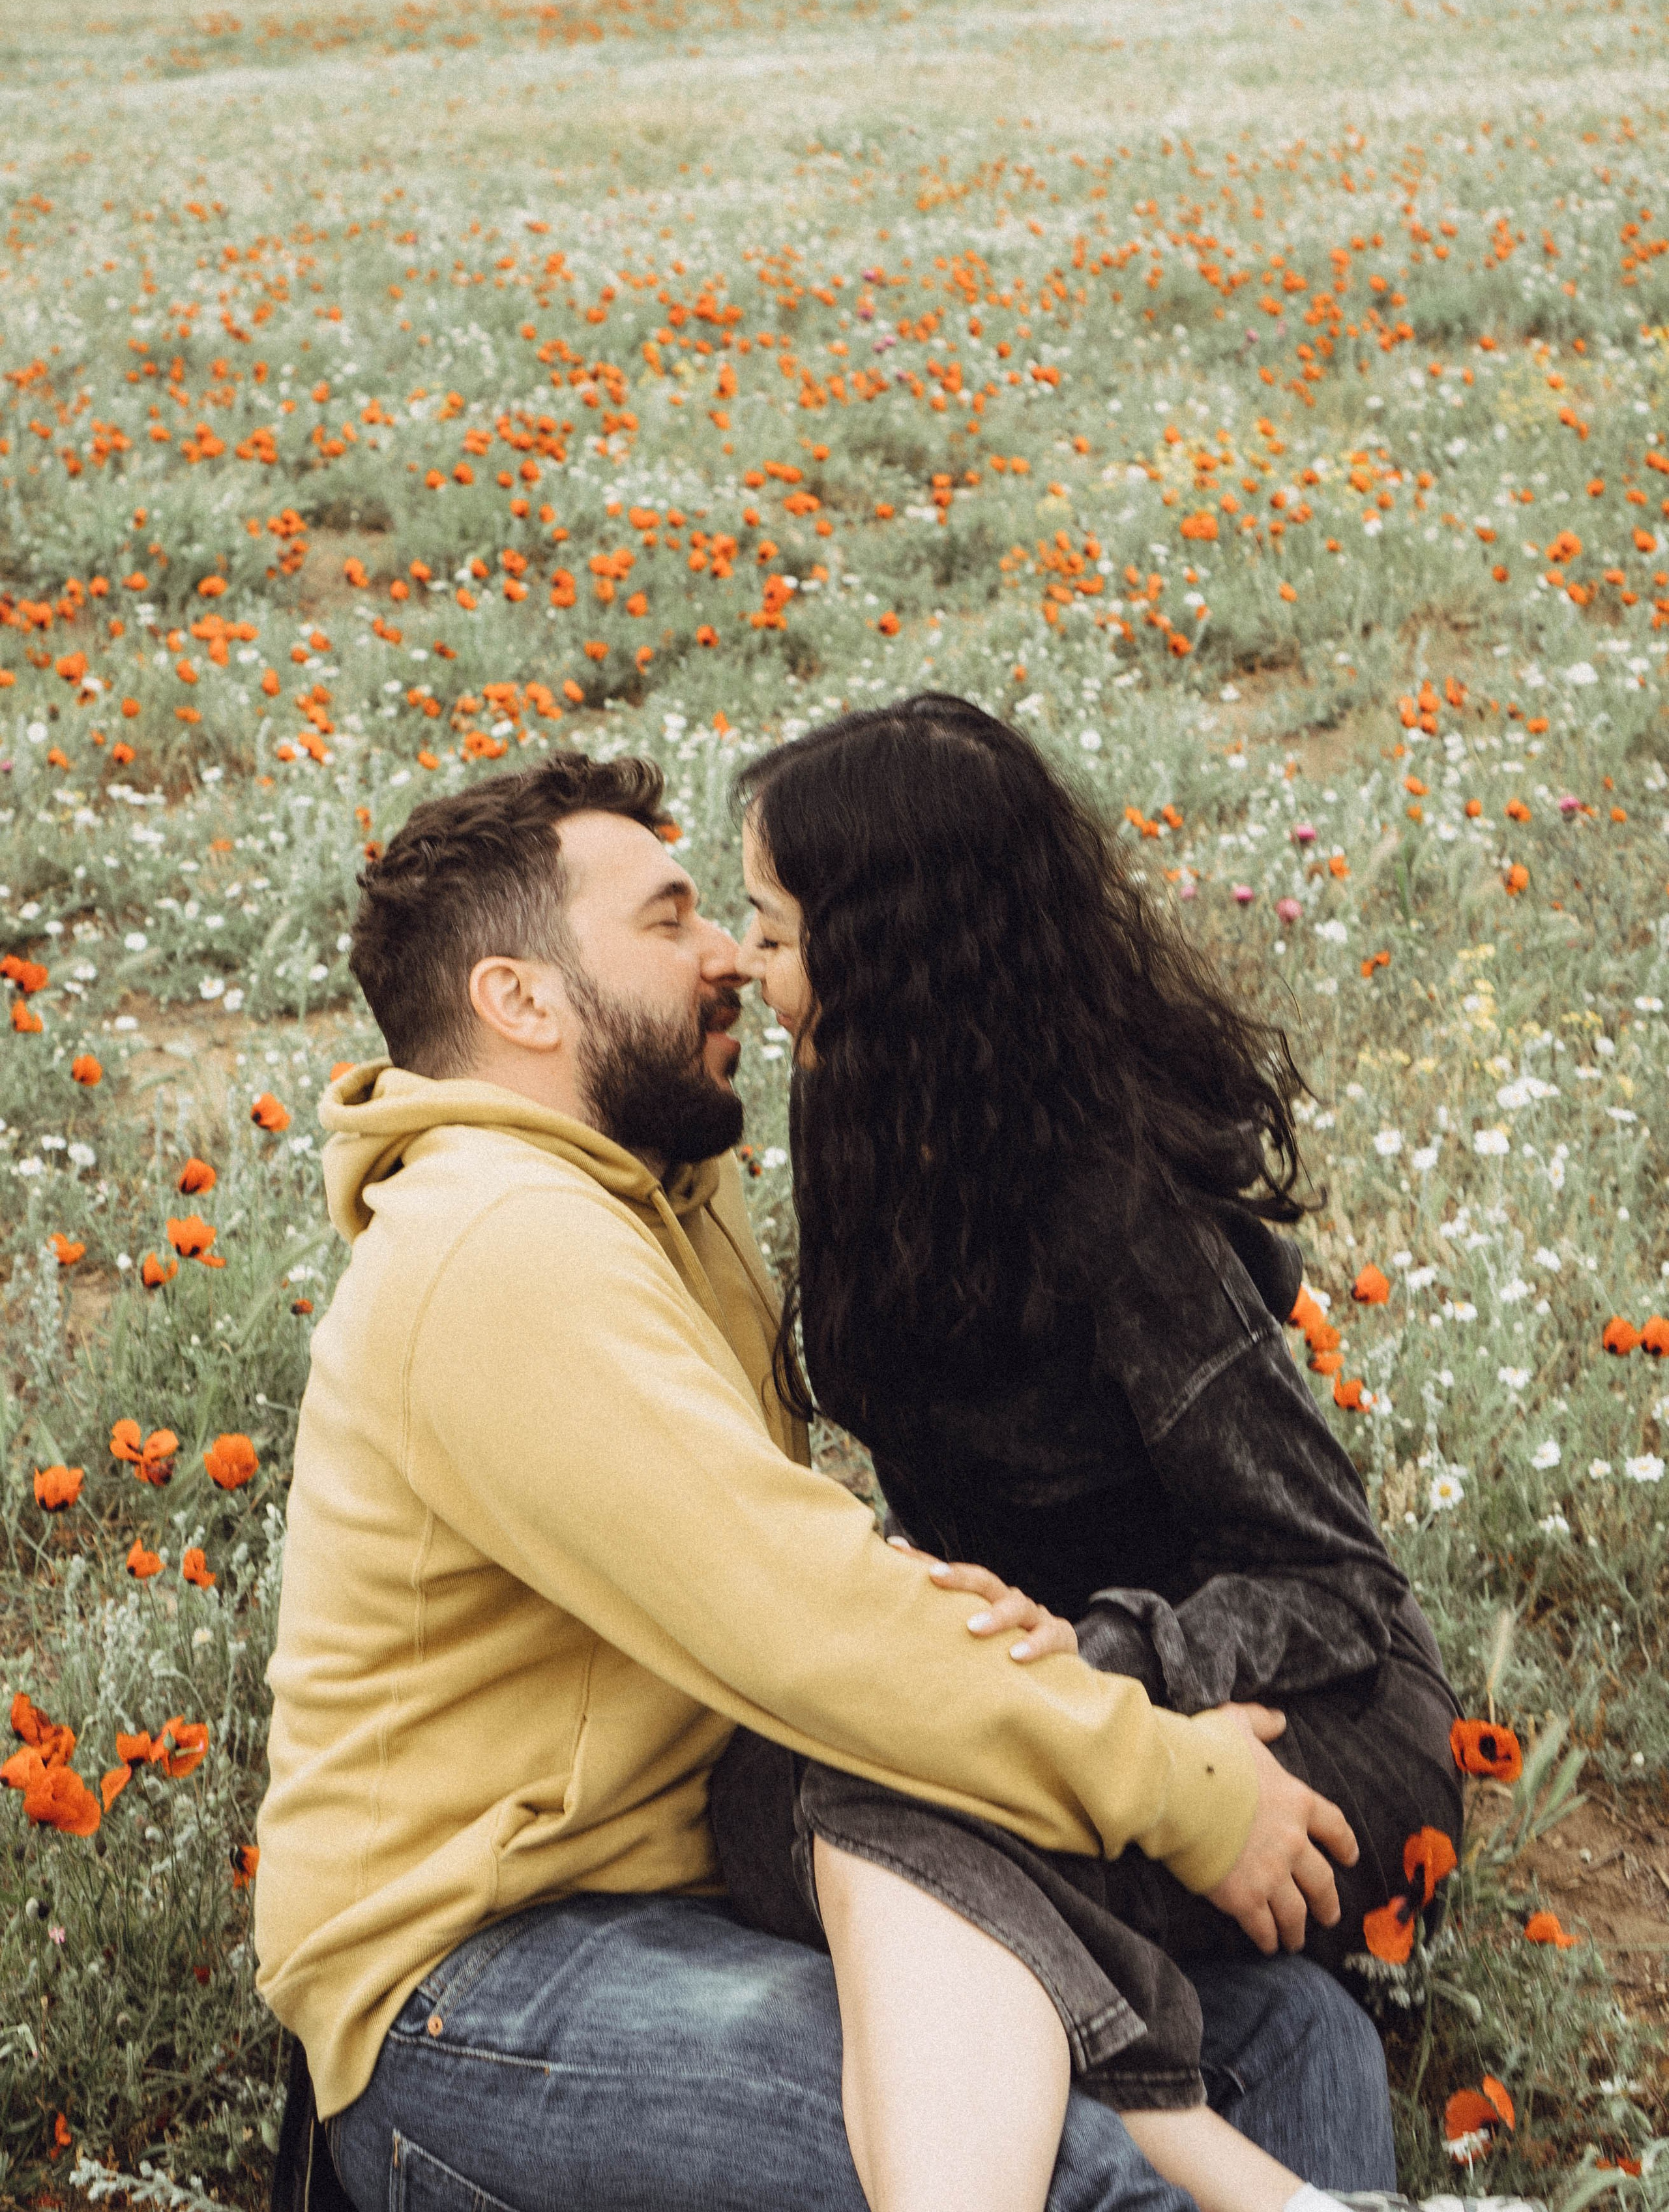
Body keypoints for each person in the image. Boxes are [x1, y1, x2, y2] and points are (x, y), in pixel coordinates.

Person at [255, 749, 1398, 2212]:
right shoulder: (498, 1249)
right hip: (478, 1987)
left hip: (703, 1894)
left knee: (1292, 2039)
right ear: (519, 1000)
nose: (732, 953)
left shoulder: (658, 1197)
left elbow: (773, 1569)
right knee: (1057, 2165)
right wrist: (1176, 1784)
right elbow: (801, 1614)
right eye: (670, 921)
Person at [718, 693, 1465, 2212]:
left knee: (870, 1818)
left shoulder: (1111, 1198)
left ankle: (1190, 2151)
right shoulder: (856, 1112)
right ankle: (1225, 2155)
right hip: (1048, 1712)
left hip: (1290, 1721)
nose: (745, 962)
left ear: (891, 958)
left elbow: (1333, 1583)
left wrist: (1110, 1657)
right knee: (753, 1793)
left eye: (772, 929)